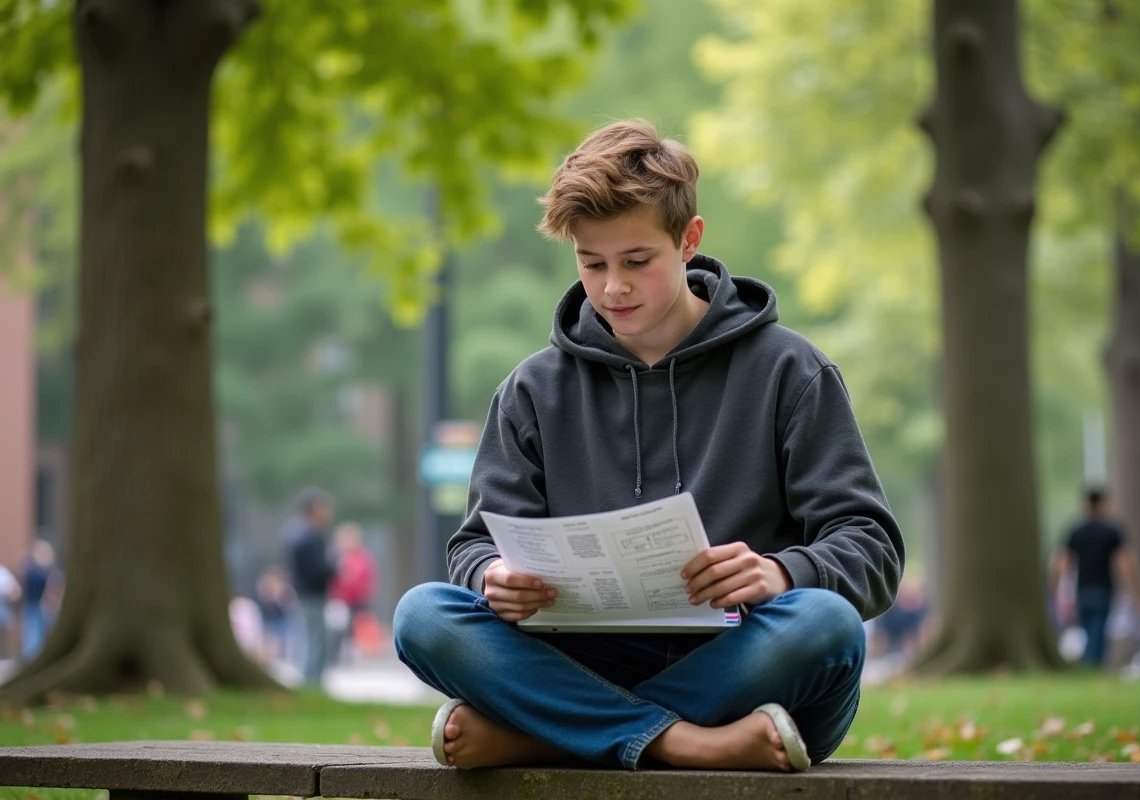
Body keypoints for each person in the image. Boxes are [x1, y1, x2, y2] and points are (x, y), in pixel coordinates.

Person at [392, 121, 904, 773]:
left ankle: (548, 738)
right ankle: (686, 744)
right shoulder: (532, 390)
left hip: (748, 660)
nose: (613, 288)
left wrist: (782, 573)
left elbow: (872, 546)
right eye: (592, 264)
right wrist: (492, 577)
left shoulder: (790, 371)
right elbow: (473, 546)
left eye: (637, 262)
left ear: (689, 240)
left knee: (826, 624)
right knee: (423, 615)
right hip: (587, 661)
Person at [1049, 486, 1140, 667]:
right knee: (1097, 633)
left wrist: (1056, 588)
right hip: (1103, 589)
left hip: (1082, 590)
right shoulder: (1112, 531)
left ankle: (1089, 665)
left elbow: (1060, 561)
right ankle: (1091, 666)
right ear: (1103, 504)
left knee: (1089, 631)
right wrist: (1136, 592)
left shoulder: (1076, 531)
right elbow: (1125, 563)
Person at [287, 487, 336, 685]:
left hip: (305, 594)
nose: (328, 513)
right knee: (315, 641)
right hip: (311, 596)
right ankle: (311, 682)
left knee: (312, 639)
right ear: (315, 509)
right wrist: (335, 569)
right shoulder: (309, 537)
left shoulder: (299, 534)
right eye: (325, 508)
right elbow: (316, 570)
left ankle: (312, 681)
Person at [328, 522, 378, 663]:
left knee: (356, 632)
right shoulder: (335, 556)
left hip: (358, 601)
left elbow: (367, 578)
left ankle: (353, 657)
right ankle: (335, 657)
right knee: (337, 630)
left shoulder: (363, 556)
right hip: (339, 601)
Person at [20, 540, 62, 661]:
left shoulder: (43, 570)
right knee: (32, 633)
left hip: (44, 607)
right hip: (32, 605)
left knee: (40, 633)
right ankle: (31, 657)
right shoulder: (33, 570)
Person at [0, 563, 21, 659]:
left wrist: (12, 596)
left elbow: (16, 590)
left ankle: (6, 652)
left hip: (3, 604)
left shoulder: (3, 572)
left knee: (6, 628)